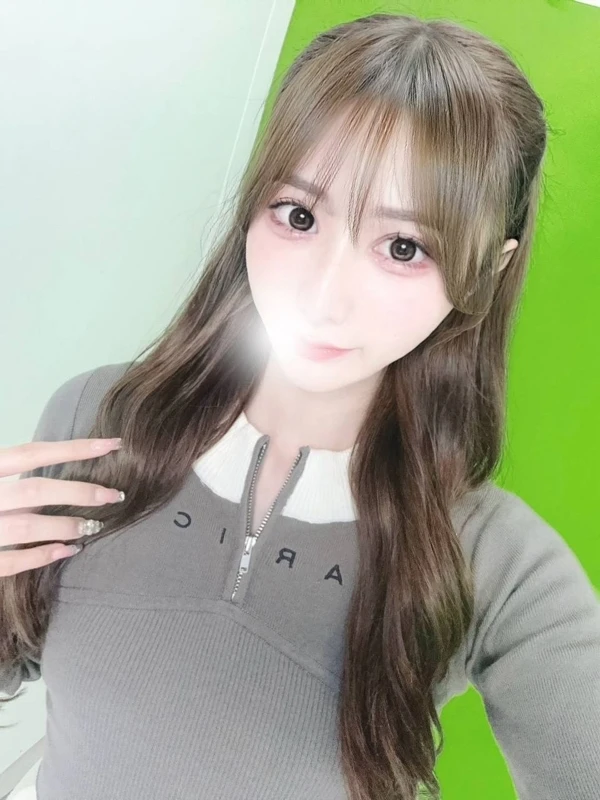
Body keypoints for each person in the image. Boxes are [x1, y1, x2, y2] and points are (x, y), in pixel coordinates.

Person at [0, 12, 598, 800]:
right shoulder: (94, 419)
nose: (323, 295)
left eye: (404, 247)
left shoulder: (496, 565)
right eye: (300, 216)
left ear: (486, 270)